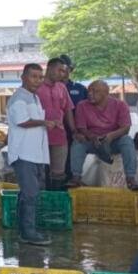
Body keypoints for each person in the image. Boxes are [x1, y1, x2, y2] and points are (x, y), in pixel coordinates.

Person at [6, 64, 53, 246]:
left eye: (40, 77)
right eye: (33, 76)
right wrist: (45, 122)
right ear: (23, 77)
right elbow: (23, 121)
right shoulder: (19, 98)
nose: (37, 80)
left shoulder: (34, 97)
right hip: (23, 153)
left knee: (29, 192)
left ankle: (24, 229)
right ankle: (28, 233)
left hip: (35, 153)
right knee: (31, 193)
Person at [71, 80, 138, 190]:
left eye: (95, 91)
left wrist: (110, 136)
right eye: (89, 91)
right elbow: (81, 127)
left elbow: (125, 128)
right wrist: (92, 137)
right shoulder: (82, 105)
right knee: (78, 142)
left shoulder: (120, 105)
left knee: (127, 140)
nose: (90, 94)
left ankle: (130, 178)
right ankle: (76, 177)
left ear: (106, 93)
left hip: (113, 141)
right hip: (92, 141)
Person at [37, 58, 75, 189]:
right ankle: (40, 204)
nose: (62, 74)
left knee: (58, 173)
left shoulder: (62, 87)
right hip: (38, 136)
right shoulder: (35, 86)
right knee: (40, 172)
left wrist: (74, 130)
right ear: (49, 68)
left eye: (64, 71)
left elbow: (68, 109)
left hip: (59, 135)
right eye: (60, 70)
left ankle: (55, 203)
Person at [60, 55, 88, 186]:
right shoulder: (45, 88)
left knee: (72, 166)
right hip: (53, 134)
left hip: (76, 135)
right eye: (59, 68)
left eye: (66, 68)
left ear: (71, 70)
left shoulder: (81, 89)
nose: (63, 71)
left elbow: (90, 110)